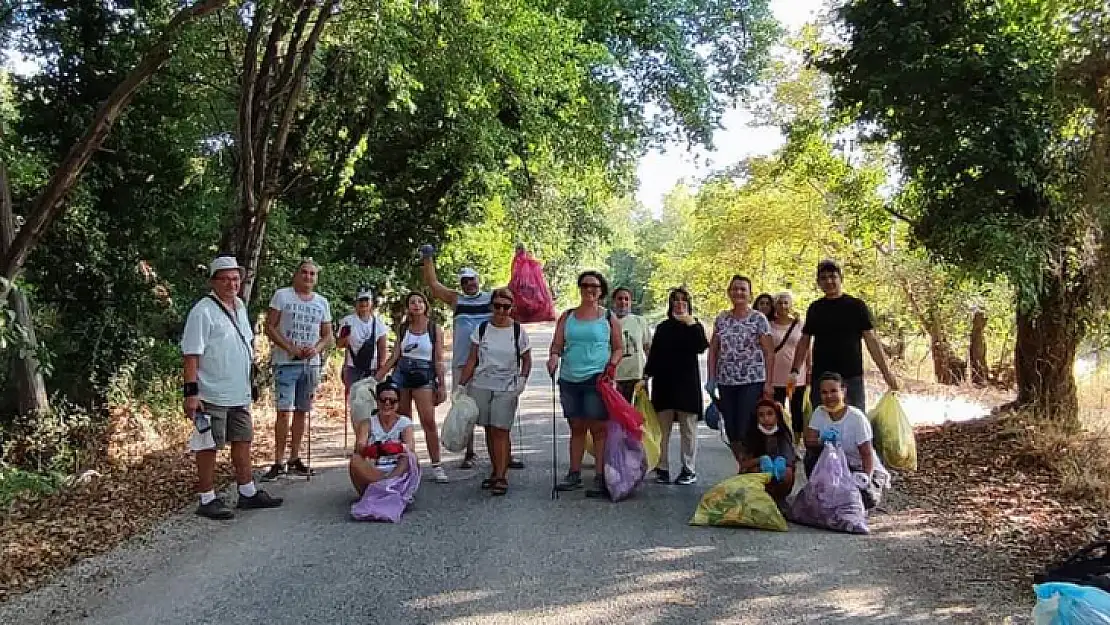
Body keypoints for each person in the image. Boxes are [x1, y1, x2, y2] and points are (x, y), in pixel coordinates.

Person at [181, 256, 282, 519]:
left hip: (238, 391)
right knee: (208, 443)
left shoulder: (239, 306)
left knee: (242, 439)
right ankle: (206, 497)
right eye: (225, 279)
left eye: (235, 278)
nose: (231, 283)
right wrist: (191, 394)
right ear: (213, 281)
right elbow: (191, 354)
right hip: (211, 392)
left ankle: (247, 491)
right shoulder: (202, 311)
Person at [420, 245, 524, 469]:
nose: (469, 284)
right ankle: (468, 453)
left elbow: (515, 288)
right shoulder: (457, 300)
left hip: (489, 363)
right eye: (465, 281)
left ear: (478, 280)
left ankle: (507, 454)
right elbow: (434, 286)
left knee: (499, 410)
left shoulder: (491, 300)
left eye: (472, 280)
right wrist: (428, 258)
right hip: (462, 362)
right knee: (464, 407)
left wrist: (520, 259)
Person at [548, 270, 623, 498]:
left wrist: (612, 365)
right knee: (576, 427)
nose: (589, 290)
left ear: (601, 291)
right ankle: (574, 474)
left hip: (597, 378)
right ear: (579, 288)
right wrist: (553, 359)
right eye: (585, 285)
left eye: (595, 286)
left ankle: (600, 477)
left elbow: (619, 348)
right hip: (569, 378)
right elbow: (557, 345)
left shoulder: (608, 317)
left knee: (598, 429)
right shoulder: (567, 316)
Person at [790, 259, 900, 413]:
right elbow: (804, 341)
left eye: (833, 276)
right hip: (822, 376)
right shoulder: (815, 308)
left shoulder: (857, 306)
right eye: (823, 278)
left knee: (855, 421)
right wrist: (795, 371)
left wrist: (886, 373)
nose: (829, 281)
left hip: (851, 376)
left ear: (841, 279)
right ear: (818, 283)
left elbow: (871, 341)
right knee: (823, 423)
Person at [261, 259, 333, 481]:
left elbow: (328, 335)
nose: (308, 277)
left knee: (302, 410)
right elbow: (269, 326)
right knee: (284, 411)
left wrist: (317, 349)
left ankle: (295, 458)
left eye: (312, 274)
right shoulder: (282, 296)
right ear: (296, 274)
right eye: (304, 273)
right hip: (286, 362)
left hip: (310, 364)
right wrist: (289, 347)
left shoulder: (322, 302)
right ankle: (278, 461)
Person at [458, 288, 533, 496]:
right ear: (491, 306)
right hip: (481, 384)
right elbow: (472, 360)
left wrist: (522, 380)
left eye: (506, 307)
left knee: (501, 430)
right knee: (489, 429)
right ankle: (495, 470)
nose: (501, 311)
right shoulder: (482, 329)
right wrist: (461, 385)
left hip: (507, 386)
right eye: (497, 306)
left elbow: (526, 360)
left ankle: (501, 476)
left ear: (511, 308)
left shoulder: (518, 331)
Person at [376, 292, 450, 483]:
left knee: (428, 421)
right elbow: (394, 356)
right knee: (403, 422)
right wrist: (377, 377)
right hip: (402, 373)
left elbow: (438, 359)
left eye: (419, 302)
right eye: (412, 302)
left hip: (424, 374)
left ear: (425, 305)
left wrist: (441, 384)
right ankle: (408, 464)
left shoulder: (434, 329)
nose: (416, 305)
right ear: (408, 307)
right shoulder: (403, 328)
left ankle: (436, 464)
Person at [706, 275, 776, 470]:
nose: (739, 293)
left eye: (743, 289)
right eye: (735, 289)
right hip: (726, 381)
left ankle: (750, 466)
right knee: (731, 428)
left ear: (749, 293)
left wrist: (769, 383)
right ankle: (743, 464)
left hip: (751, 380)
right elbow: (714, 349)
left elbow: (769, 353)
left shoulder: (758, 319)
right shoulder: (722, 319)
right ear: (729, 292)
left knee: (746, 425)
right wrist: (711, 378)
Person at [643, 287, 707, 485]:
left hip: (687, 386)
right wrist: (645, 376)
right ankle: (661, 467)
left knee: (688, 430)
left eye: (683, 301)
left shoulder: (694, 326)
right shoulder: (663, 328)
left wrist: (691, 324)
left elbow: (701, 346)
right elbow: (654, 355)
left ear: (689, 305)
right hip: (664, 385)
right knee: (662, 430)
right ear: (670, 305)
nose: (679, 304)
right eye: (675, 301)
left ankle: (689, 469)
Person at [804, 372, 890, 509]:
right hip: (833, 466)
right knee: (810, 458)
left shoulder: (856, 418)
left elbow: (866, 454)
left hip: (859, 466)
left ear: (843, 391)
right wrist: (824, 442)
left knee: (864, 498)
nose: (829, 396)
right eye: (824, 393)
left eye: (833, 391)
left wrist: (866, 478)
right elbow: (809, 442)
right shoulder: (819, 413)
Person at [336, 288, 390, 448]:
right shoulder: (348, 321)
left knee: (374, 405)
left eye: (367, 300)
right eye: (361, 301)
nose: (364, 304)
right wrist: (344, 337)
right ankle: (360, 439)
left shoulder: (378, 324)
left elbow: (382, 349)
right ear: (356, 303)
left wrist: (381, 373)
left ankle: (375, 438)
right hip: (353, 368)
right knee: (356, 406)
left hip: (373, 370)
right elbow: (340, 345)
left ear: (371, 303)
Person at [349, 381, 417, 496]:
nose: (387, 404)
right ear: (377, 401)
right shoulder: (367, 423)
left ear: (398, 403)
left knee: (410, 457)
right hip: (373, 470)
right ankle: (381, 488)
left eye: (392, 401)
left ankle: (388, 485)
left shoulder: (405, 422)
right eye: (383, 400)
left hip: (397, 469)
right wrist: (372, 450)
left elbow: (410, 446)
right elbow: (360, 446)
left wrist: (394, 448)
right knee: (355, 460)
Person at [740, 399, 796, 508]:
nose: (766, 419)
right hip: (758, 478)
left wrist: (780, 463)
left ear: (777, 416)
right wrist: (761, 460)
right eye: (761, 415)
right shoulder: (751, 436)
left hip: (778, 475)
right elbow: (743, 465)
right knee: (754, 471)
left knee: (787, 472)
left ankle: (779, 499)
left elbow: (790, 460)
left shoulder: (783, 435)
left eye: (770, 414)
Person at [769, 291, 810, 441]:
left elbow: (806, 348)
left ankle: (797, 442)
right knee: (777, 410)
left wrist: (809, 369)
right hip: (775, 376)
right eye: (780, 303)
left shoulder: (800, 324)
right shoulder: (769, 325)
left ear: (791, 305)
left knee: (797, 410)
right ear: (775, 305)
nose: (783, 306)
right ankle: (779, 440)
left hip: (796, 376)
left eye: (786, 303)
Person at [611, 287, 651, 402]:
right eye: (619, 299)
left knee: (639, 416)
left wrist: (648, 372)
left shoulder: (640, 321)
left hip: (637, 376)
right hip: (616, 377)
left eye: (626, 299)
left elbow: (648, 348)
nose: (623, 302)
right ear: (614, 301)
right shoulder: (607, 322)